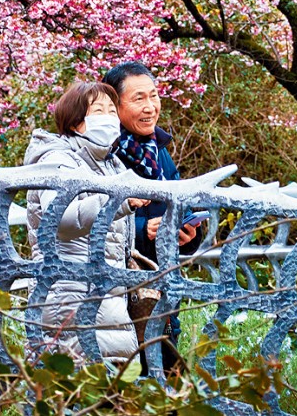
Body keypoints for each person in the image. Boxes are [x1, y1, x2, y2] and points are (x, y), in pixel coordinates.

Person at [23, 82, 150, 369]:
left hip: (105, 291)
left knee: (111, 390)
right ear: (78, 122)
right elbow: (62, 218)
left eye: (111, 110)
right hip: (68, 293)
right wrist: (122, 202)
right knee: (73, 386)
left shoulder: (109, 163)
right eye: (98, 111)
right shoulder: (57, 159)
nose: (109, 117)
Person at [103, 61, 199, 374]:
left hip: (159, 293)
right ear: (114, 105)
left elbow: (176, 208)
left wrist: (184, 236)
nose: (150, 107)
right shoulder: (102, 154)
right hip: (115, 299)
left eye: (154, 96)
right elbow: (85, 222)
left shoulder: (159, 151)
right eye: (139, 98)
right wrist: (145, 230)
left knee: (164, 383)